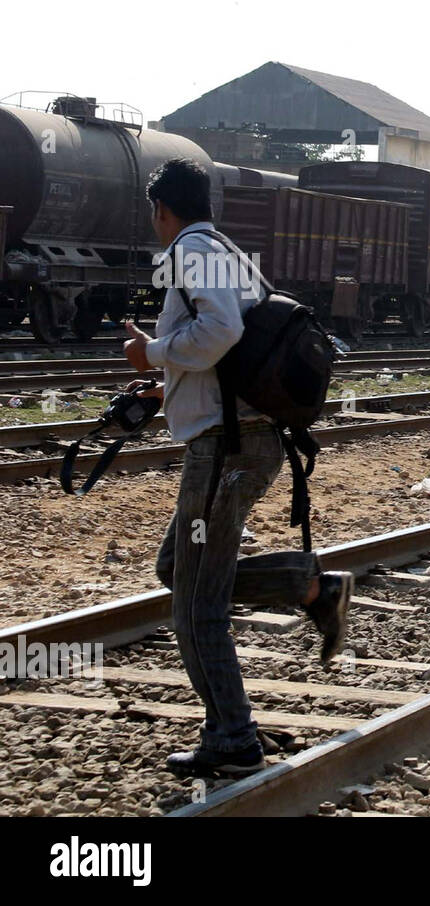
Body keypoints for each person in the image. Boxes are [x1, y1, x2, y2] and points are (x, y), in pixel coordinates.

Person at [122, 158, 352, 778]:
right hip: (243, 439)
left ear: (162, 211)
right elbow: (232, 354)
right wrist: (160, 386)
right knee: (179, 568)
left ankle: (232, 739)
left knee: (198, 603)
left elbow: (218, 331)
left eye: (154, 214)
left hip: (225, 452)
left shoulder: (193, 253)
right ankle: (309, 586)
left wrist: (151, 352)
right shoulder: (224, 251)